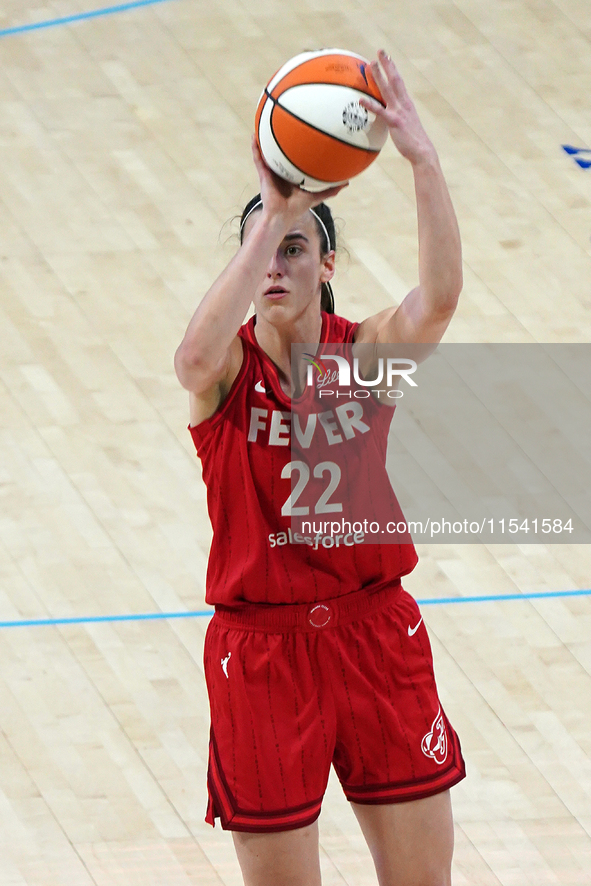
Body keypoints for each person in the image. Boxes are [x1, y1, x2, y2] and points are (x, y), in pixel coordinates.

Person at [175, 50, 465, 886]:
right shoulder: (223, 373)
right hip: (261, 655)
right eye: (261, 248)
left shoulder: (362, 357)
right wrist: (273, 210)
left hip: (376, 634)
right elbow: (190, 360)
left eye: (294, 248)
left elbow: (438, 297)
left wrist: (422, 160)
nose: (274, 263)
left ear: (325, 267)